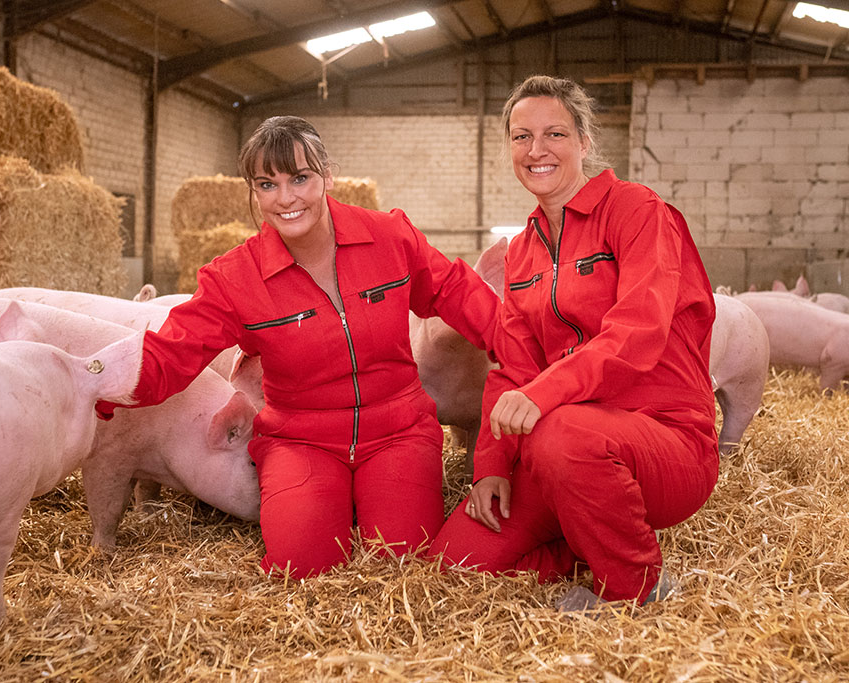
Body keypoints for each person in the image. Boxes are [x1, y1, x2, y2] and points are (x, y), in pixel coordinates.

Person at [97, 115, 500, 579]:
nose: (286, 198)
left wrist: (527, 353)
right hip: (302, 438)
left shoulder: (389, 238)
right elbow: (174, 351)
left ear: (327, 176)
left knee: (400, 562)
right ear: (254, 192)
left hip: (398, 429)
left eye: (300, 178)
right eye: (267, 184)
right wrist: (100, 386)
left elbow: (459, 293)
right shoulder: (236, 278)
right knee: (300, 568)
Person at [427, 75, 719, 610]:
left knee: (561, 431)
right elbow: (512, 366)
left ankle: (635, 586)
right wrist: (490, 467)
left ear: (584, 142)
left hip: (663, 440)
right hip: (562, 452)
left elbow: (636, 334)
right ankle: (593, 540)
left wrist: (542, 395)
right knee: (456, 559)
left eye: (554, 134)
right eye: (521, 137)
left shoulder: (638, 212)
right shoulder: (523, 251)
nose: (536, 150)